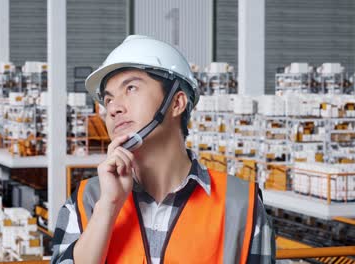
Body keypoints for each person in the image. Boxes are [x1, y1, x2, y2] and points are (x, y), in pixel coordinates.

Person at [51, 35, 275, 264]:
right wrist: (107, 207)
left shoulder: (240, 204)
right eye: (108, 100)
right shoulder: (85, 201)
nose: (114, 108)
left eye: (131, 88)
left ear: (177, 103)